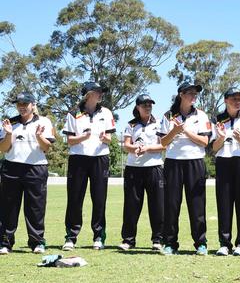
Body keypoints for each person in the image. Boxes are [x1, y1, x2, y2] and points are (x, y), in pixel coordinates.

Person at [158, 82, 212, 255]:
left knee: (197, 204)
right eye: (190, 92)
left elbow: (205, 142)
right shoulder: (168, 116)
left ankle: (201, 243)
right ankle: (170, 243)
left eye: (195, 93)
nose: (194, 96)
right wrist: (174, 131)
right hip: (173, 163)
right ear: (181, 94)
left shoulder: (201, 115)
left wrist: (187, 132)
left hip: (195, 162)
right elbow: (162, 143)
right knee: (171, 204)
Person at [61, 82, 116, 251]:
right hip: (78, 159)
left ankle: (99, 236)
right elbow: (69, 141)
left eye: (101, 92)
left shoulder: (106, 112)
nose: (101, 94)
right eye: (98, 92)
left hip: (100, 158)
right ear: (88, 94)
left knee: (99, 199)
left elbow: (109, 138)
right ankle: (71, 237)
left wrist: (105, 138)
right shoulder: (73, 113)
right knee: (75, 199)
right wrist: (83, 138)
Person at [0, 92, 55, 254]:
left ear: (33, 104)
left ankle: (37, 242)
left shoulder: (44, 121)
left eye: (25, 103)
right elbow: (3, 148)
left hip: (36, 168)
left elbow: (46, 148)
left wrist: (39, 136)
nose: (22, 107)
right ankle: (5, 242)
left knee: (35, 208)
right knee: (8, 207)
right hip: (11, 167)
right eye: (19, 104)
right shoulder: (10, 122)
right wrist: (9, 133)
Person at [211, 87, 240, 256]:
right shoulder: (217, 119)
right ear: (226, 100)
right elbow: (213, 147)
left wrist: (239, 138)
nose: (237, 101)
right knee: (224, 202)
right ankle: (224, 243)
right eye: (234, 98)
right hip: (224, 161)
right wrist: (222, 137)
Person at [118, 94, 164, 251]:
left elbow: (163, 145)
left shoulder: (159, 123)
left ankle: (158, 240)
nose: (148, 106)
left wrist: (148, 148)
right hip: (133, 169)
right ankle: (128, 240)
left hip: (155, 167)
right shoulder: (130, 125)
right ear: (137, 107)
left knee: (157, 205)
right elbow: (126, 145)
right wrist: (135, 148)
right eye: (144, 104)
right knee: (131, 205)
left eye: (150, 104)